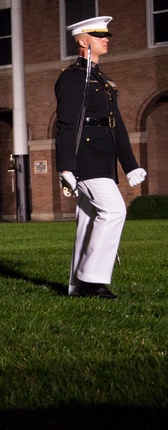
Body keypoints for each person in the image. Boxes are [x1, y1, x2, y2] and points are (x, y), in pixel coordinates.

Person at [55, 15, 146, 299]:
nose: (106, 39)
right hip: (85, 157)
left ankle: (76, 287)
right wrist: (66, 166)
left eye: (105, 35)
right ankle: (92, 280)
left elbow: (114, 123)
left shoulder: (102, 80)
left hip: (103, 158)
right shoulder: (71, 78)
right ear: (83, 41)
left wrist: (130, 165)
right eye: (98, 35)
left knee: (88, 219)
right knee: (114, 210)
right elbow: (68, 124)